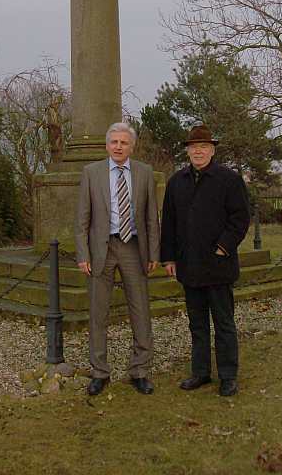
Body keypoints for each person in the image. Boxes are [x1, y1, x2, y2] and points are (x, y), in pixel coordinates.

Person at [160, 124, 250, 397]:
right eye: (193, 147)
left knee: (223, 324)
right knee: (197, 324)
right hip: (189, 266)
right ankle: (200, 372)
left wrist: (223, 247)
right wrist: (168, 258)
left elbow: (240, 219)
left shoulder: (229, 180)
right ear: (187, 151)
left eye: (204, 147)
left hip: (219, 266)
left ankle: (228, 376)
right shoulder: (176, 182)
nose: (198, 151)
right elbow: (169, 223)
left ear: (212, 150)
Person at [75, 121, 160, 396]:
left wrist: (154, 253)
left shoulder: (145, 173)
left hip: (134, 248)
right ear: (107, 145)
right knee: (99, 313)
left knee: (140, 311)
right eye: (114, 142)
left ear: (131, 147)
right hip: (102, 248)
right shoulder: (91, 173)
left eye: (124, 143)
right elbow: (82, 219)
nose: (119, 147)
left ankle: (140, 370)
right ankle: (100, 372)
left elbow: (151, 218)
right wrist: (82, 254)